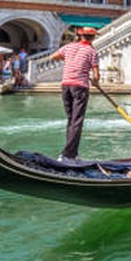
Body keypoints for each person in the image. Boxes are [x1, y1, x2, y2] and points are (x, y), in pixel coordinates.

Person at [50, 27, 100, 161]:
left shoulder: (68, 47)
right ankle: (67, 155)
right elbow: (96, 75)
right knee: (77, 121)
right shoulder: (91, 51)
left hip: (66, 85)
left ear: (80, 35)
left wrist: (69, 61)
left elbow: (54, 56)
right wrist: (95, 81)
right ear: (93, 38)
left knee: (71, 120)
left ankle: (72, 154)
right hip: (80, 87)